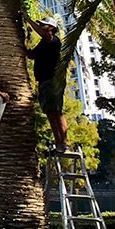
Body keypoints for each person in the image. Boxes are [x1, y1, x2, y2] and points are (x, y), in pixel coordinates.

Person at [27, 15, 69, 153]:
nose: (41, 26)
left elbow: (44, 33)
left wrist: (27, 19)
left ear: (51, 27)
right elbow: (32, 55)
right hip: (44, 81)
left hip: (52, 81)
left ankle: (62, 143)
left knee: (56, 112)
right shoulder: (43, 43)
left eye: (43, 24)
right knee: (51, 113)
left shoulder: (53, 40)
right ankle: (59, 142)